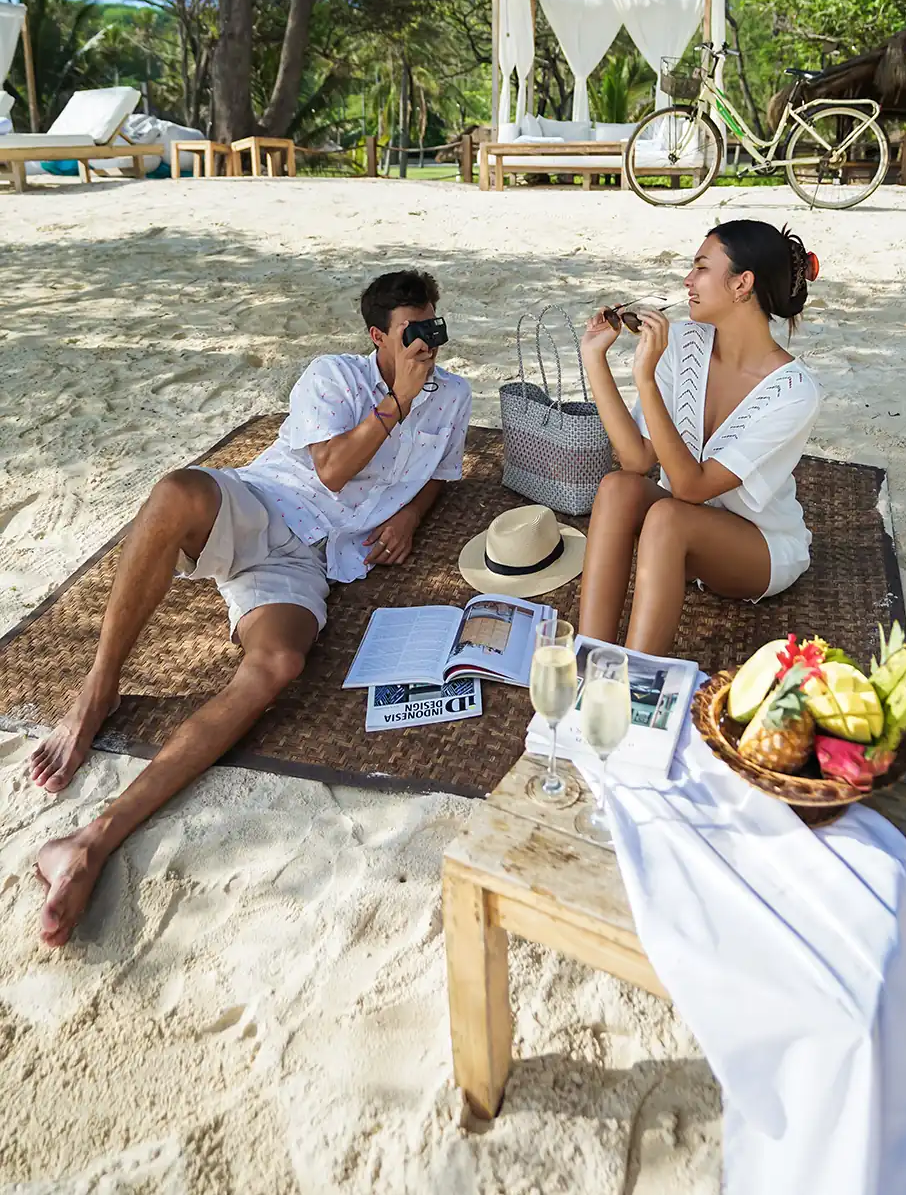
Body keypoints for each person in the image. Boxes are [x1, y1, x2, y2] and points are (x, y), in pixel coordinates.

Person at [29, 268, 470, 948]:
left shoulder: (453, 396)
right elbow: (328, 472)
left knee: (280, 664)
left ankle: (93, 838)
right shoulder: (333, 377)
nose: (428, 345)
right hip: (263, 501)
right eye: (414, 331)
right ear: (378, 335)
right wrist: (396, 405)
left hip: (313, 556)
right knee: (175, 492)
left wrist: (410, 514)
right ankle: (99, 686)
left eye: (435, 327)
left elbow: (442, 475)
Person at [578, 220, 820, 656]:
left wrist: (646, 380)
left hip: (758, 547)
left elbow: (690, 487)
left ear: (742, 284)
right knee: (617, 488)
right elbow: (635, 459)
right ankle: (590, 658)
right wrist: (594, 358)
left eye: (702, 267)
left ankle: (634, 685)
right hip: (675, 529)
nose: (688, 280)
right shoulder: (686, 342)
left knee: (669, 516)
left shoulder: (794, 391)